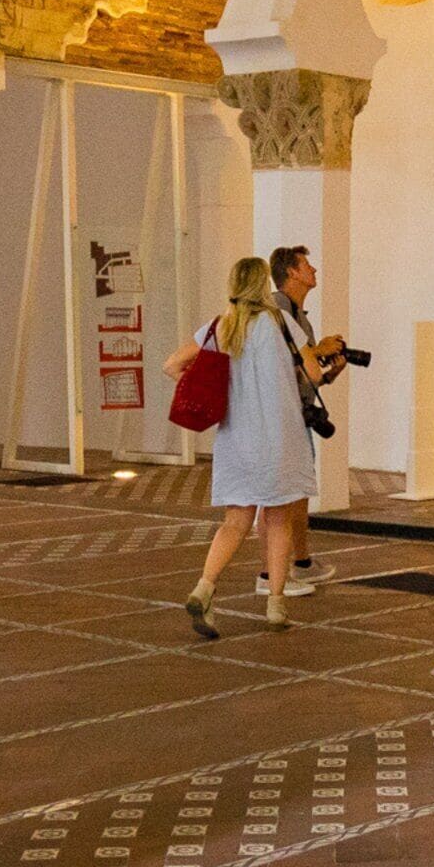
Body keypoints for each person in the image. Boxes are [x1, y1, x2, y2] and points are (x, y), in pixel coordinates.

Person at [182, 256, 335, 637]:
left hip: (236, 438)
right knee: (279, 518)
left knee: (235, 522)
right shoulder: (281, 322)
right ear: (263, 284)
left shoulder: (220, 326)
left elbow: (173, 364)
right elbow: (314, 373)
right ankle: (275, 606)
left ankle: (204, 587)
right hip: (280, 435)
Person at [263, 245, 349, 599]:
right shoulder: (277, 313)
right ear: (292, 273)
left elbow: (304, 372)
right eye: (306, 265)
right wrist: (320, 348)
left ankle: (299, 563)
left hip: (300, 413)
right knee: (280, 500)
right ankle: (271, 575)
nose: (314, 270)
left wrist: (330, 374)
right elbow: (283, 360)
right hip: (282, 417)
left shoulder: (300, 316)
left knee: (296, 497)